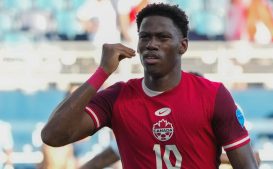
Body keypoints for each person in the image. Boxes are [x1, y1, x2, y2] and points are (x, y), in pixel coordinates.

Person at [41, 3, 259, 168]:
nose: (152, 44)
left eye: (162, 37)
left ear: (183, 46)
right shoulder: (117, 97)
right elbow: (52, 136)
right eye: (145, 37)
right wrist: (102, 72)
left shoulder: (213, 95)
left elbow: (248, 165)